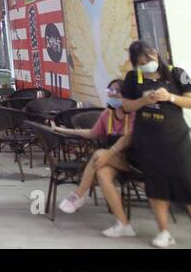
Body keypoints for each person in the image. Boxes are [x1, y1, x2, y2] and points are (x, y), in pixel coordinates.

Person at [119, 41, 191, 249]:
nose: (146, 64)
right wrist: (143, 101)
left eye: (148, 59)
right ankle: (164, 232)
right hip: (148, 141)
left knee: (190, 186)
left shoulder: (177, 74)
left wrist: (170, 97)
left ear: (155, 54)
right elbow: (126, 106)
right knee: (156, 188)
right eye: (141, 63)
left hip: (176, 140)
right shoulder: (132, 78)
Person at [54, 80, 136, 235]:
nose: (112, 93)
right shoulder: (108, 114)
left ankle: (78, 194)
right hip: (114, 160)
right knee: (102, 173)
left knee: (99, 154)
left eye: (117, 91)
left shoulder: (134, 115)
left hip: (135, 161)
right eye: (110, 90)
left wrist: (108, 153)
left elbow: (130, 138)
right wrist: (63, 130)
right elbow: (92, 133)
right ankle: (123, 224)